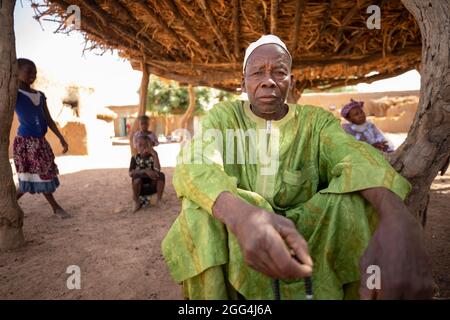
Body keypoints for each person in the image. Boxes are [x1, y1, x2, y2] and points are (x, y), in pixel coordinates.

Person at [161, 35, 434, 300]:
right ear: (243, 83)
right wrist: (244, 216)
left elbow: (354, 157)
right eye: (257, 73)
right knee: (199, 213)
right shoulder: (224, 116)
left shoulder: (315, 121)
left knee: (357, 202)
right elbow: (195, 162)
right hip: (240, 232)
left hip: (309, 231)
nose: (268, 81)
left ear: (292, 81)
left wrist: (398, 218)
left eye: (279, 72)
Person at [13, 58, 70, 219]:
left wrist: (61, 138)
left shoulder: (40, 95)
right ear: (17, 73)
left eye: (35, 72)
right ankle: (56, 208)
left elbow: (49, 119)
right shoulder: (15, 94)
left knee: (38, 176)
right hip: (25, 142)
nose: (32, 75)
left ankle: (10, 204)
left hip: (40, 142)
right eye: (28, 71)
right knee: (34, 176)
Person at [129, 135, 165, 212]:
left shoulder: (152, 157)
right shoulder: (135, 158)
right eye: (140, 145)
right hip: (140, 188)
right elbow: (131, 173)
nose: (143, 147)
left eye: (146, 145)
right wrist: (145, 171)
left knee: (161, 175)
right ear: (136, 146)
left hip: (152, 186)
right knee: (136, 178)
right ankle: (136, 201)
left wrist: (155, 155)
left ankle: (159, 200)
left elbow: (157, 170)